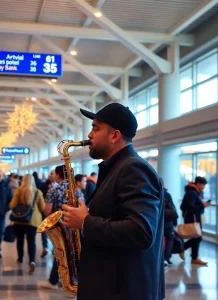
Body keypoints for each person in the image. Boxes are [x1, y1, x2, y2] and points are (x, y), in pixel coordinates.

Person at [61, 103, 165, 300]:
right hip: (112, 287)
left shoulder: (133, 169)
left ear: (115, 135)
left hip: (122, 292)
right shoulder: (117, 168)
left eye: (96, 128)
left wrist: (85, 221)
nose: (90, 134)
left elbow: (142, 231)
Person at [38, 165, 68, 290]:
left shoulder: (53, 190)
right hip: (73, 225)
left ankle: (53, 281)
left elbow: (47, 211)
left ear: (58, 175)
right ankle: (69, 281)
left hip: (59, 227)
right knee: (70, 254)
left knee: (60, 253)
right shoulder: (75, 189)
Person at [9, 174, 45, 274]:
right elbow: (42, 208)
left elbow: (11, 205)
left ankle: (20, 258)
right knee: (31, 241)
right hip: (32, 222)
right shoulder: (38, 192)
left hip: (19, 220)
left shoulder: (18, 191)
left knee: (20, 240)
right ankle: (31, 260)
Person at [180, 176, 210, 266]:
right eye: (202, 185)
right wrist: (202, 206)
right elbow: (190, 207)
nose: (203, 187)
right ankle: (184, 250)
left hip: (195, 218)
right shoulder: (192, 193)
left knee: (196, 238)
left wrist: (202, 206)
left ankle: (194, 257)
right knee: (198, 237)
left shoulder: (195, 192)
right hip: (192, 219)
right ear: (198, 183)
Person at [160, 177, 178, 266]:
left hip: (159, 222)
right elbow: (173, 208)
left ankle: (161, 259)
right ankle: (166, 258)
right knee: (170, 239)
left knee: (159, 241)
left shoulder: (153, 193)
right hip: (168, 222)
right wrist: (175, 222)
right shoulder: (167, 195)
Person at [39, 170, 56, 258]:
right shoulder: (44, 185)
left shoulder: (59, 186)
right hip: (46, 211)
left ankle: (55, 249)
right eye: (50, 173)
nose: (50, 175)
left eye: (52, 173)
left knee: (55, 231)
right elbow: (41, 197)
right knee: (44, 231)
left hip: (56, 213)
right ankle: (45, 247)